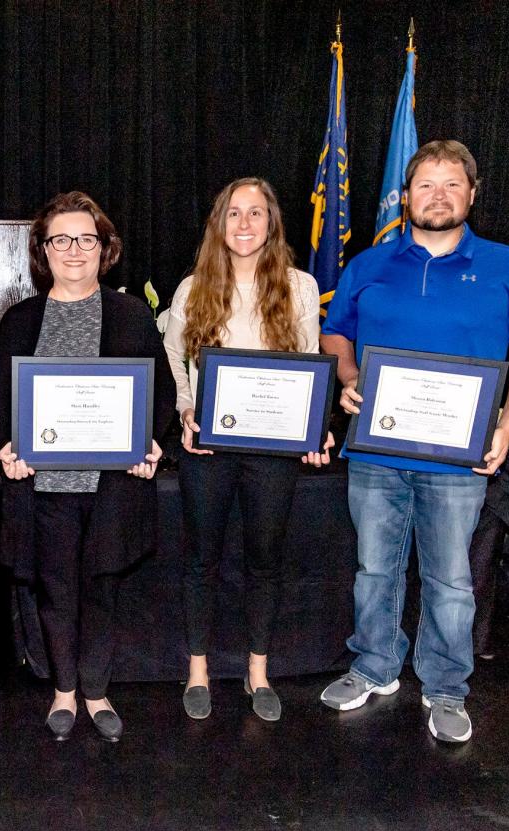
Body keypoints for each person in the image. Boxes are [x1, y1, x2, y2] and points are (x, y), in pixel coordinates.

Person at [319, 140, 509, 743]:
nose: (438, 196)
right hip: (376, 451)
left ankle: (446, 685)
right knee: (375, 568)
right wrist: (348, 377)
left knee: (451, 578)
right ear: (406, 196)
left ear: (472, 194)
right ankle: (374, 667)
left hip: (460, 458)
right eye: (425, 185)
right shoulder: (368, 265)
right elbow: (335, 335)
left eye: (452, 184)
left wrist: (505, 426)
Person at [0, 191, 175, 742]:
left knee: (102, 587)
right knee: (56, 589)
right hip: (43, 486)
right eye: (60, 239)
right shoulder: (21, 320)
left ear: (103, 249)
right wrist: (7, 449)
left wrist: (153, 444)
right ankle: (64, 691)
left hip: (111, 484)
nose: (73, 249)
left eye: (85, 239)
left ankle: (96, 690)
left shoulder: (131, 315)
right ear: (43, 250)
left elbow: (158, 394)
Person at [163, 177, 333, 723]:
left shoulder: (299, 287)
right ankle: (198, 671)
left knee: (264, 562)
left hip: (272, 452)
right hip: (207, 449)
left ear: (271, 223)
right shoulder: (193, 289)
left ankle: (258, 672)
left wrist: (314, 428)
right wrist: (187, 410)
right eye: (234, 213)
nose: (244, 224)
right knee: (200, 560)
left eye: (255, 214)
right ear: (220, 223)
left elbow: (309, 361)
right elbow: (172, 358)